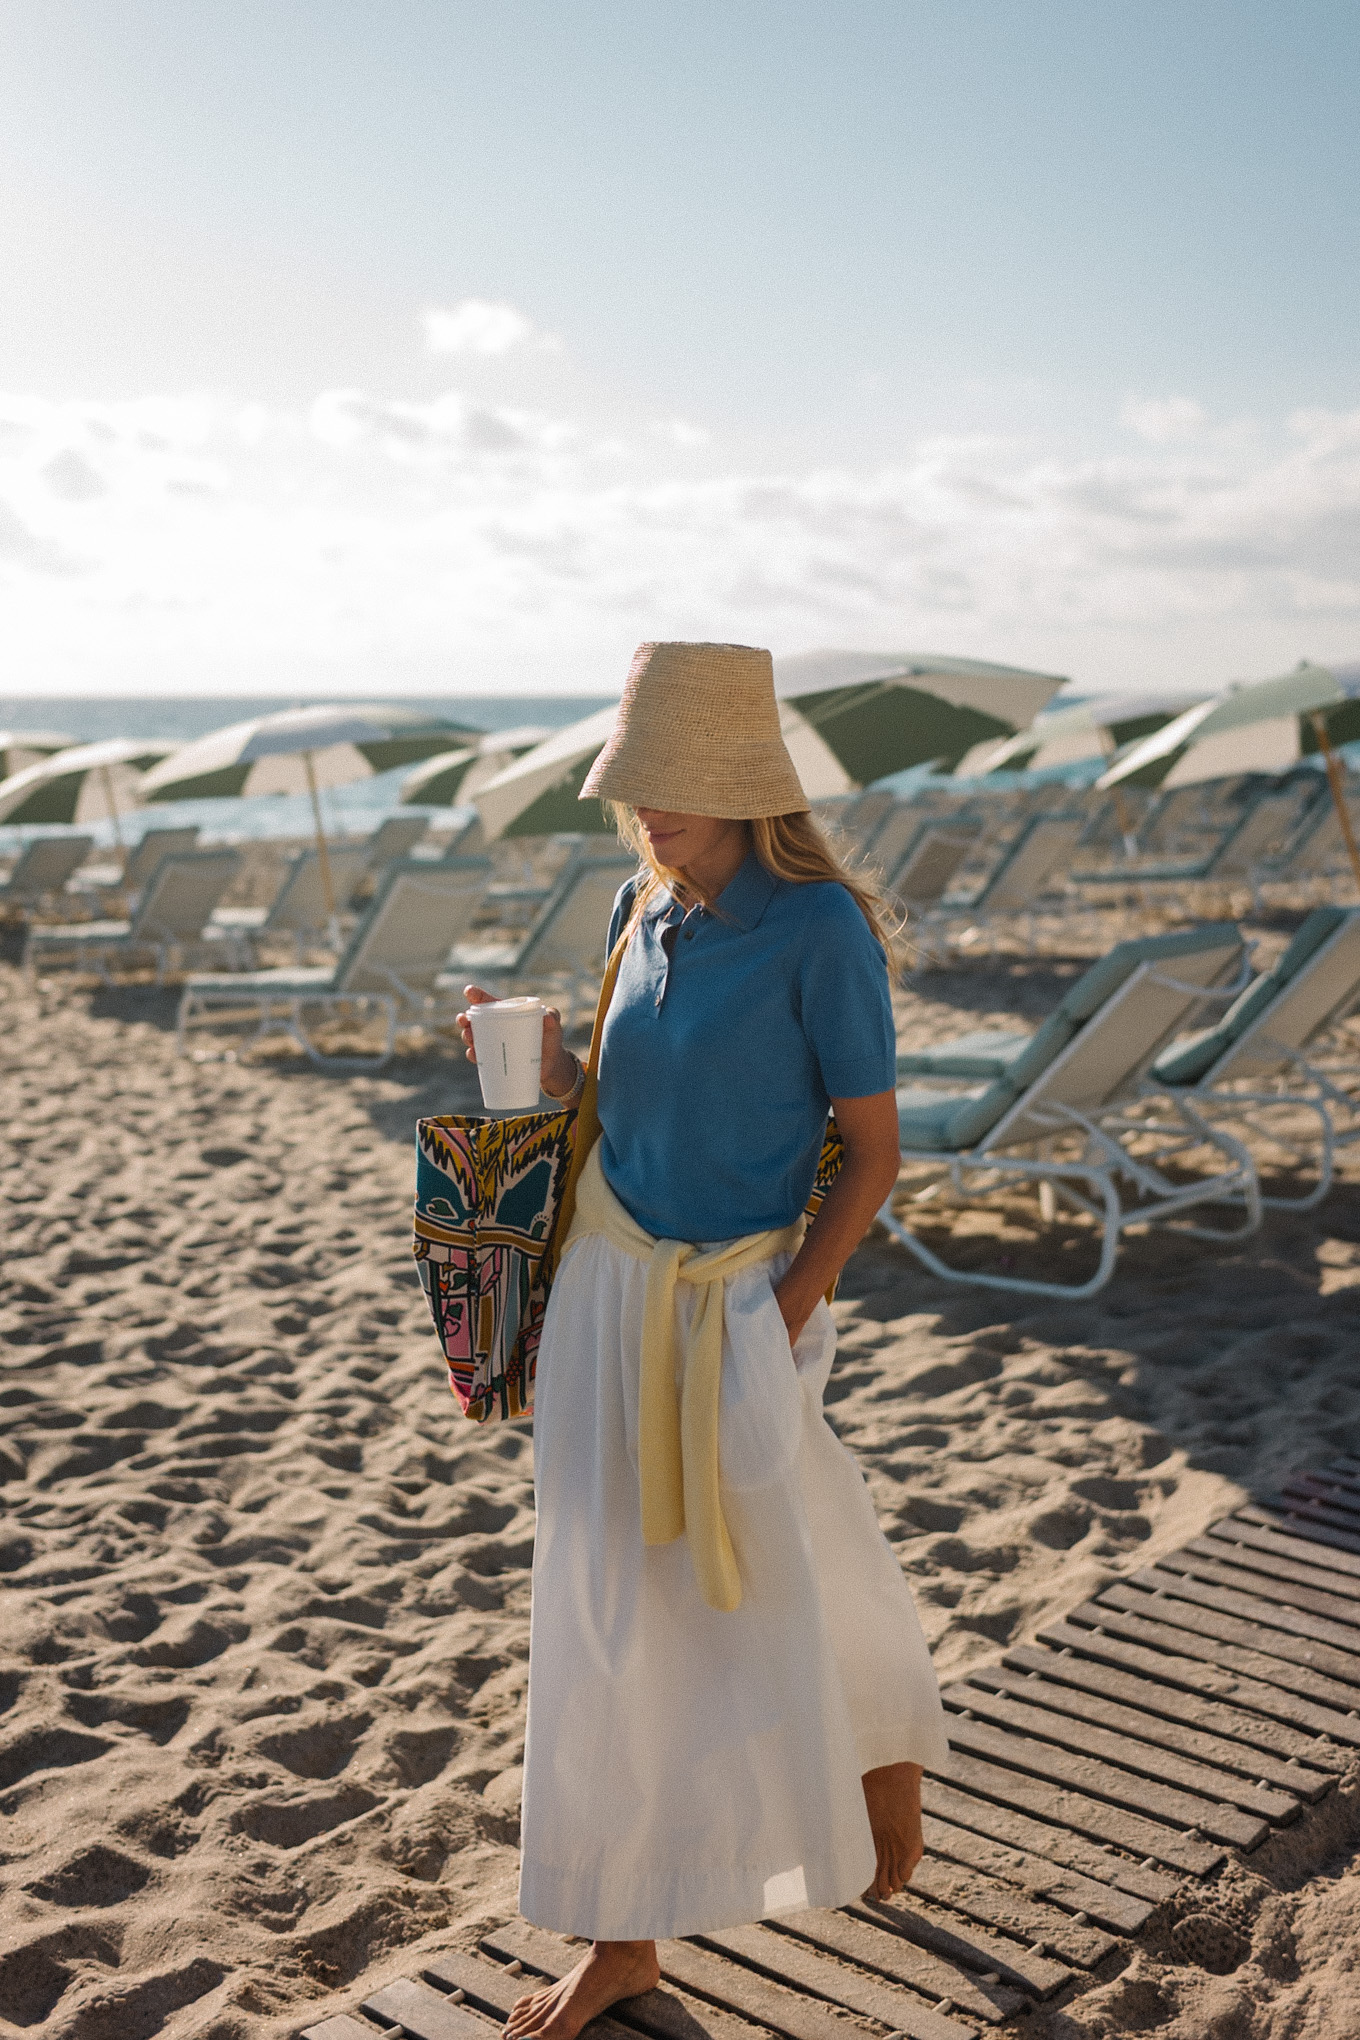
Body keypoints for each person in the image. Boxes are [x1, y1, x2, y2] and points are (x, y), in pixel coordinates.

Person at [457, 642, 947, 2040]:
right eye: (635, 784)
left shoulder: (820, 930)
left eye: (673, 785)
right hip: (607, 1287)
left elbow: (872, 1156)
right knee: (604, 1601)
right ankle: (620, 1941)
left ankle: (880, 1749)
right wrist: (543, 1069)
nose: (647, 810)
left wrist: (788, 1306)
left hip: (735, 1299)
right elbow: (616, 1098)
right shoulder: (640, 905)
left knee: (792, 1537)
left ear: (742, 785)